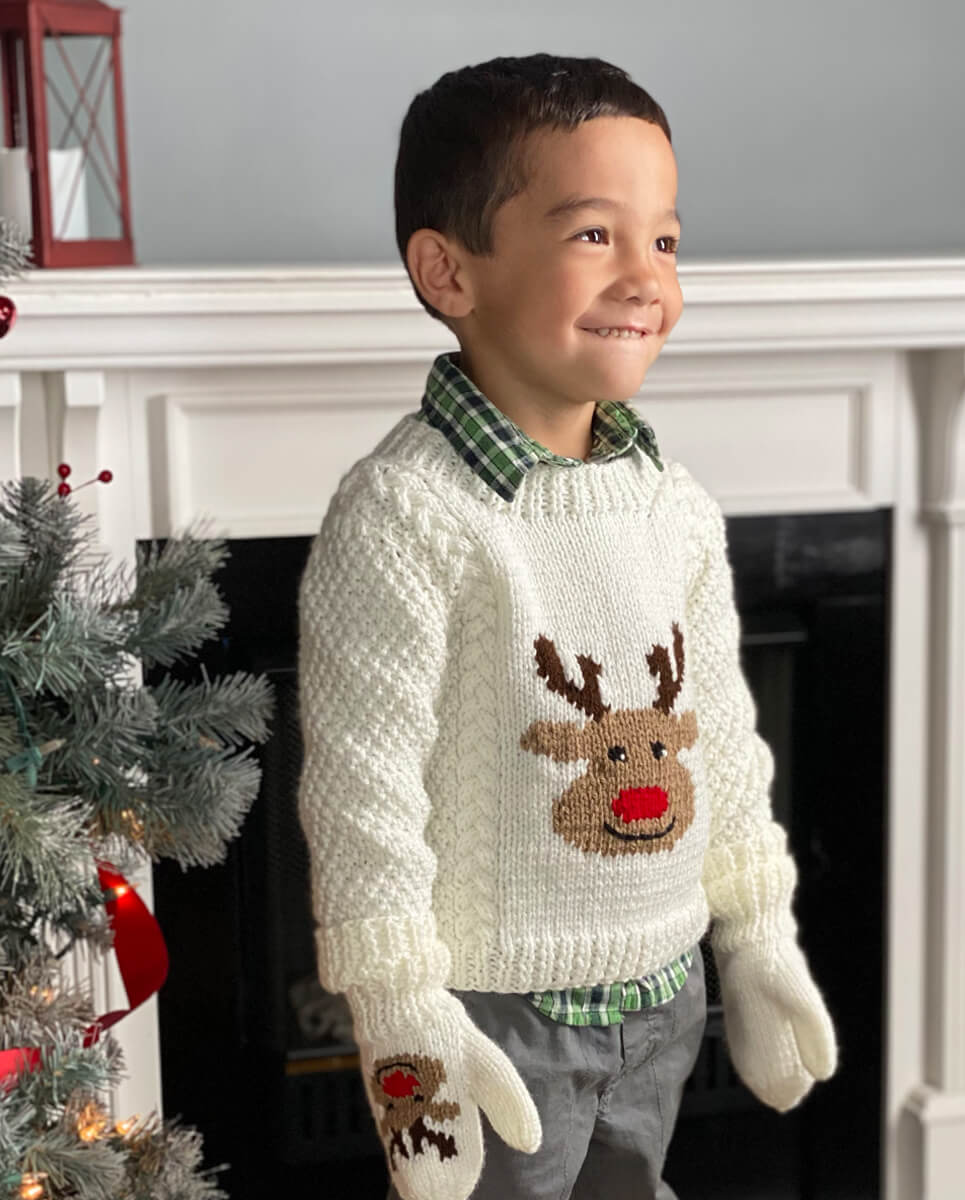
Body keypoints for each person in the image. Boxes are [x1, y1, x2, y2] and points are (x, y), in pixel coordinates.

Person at [296, 52, 837, 1200]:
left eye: (667, 241)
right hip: (495, 1014)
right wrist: (401, 1017)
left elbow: (722, 742)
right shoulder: (407, 515)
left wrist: (756, 935)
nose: (646, 278)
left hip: (664, 996)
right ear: (450, 271)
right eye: (596, 234)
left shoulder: (674, 508)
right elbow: (360, 792)